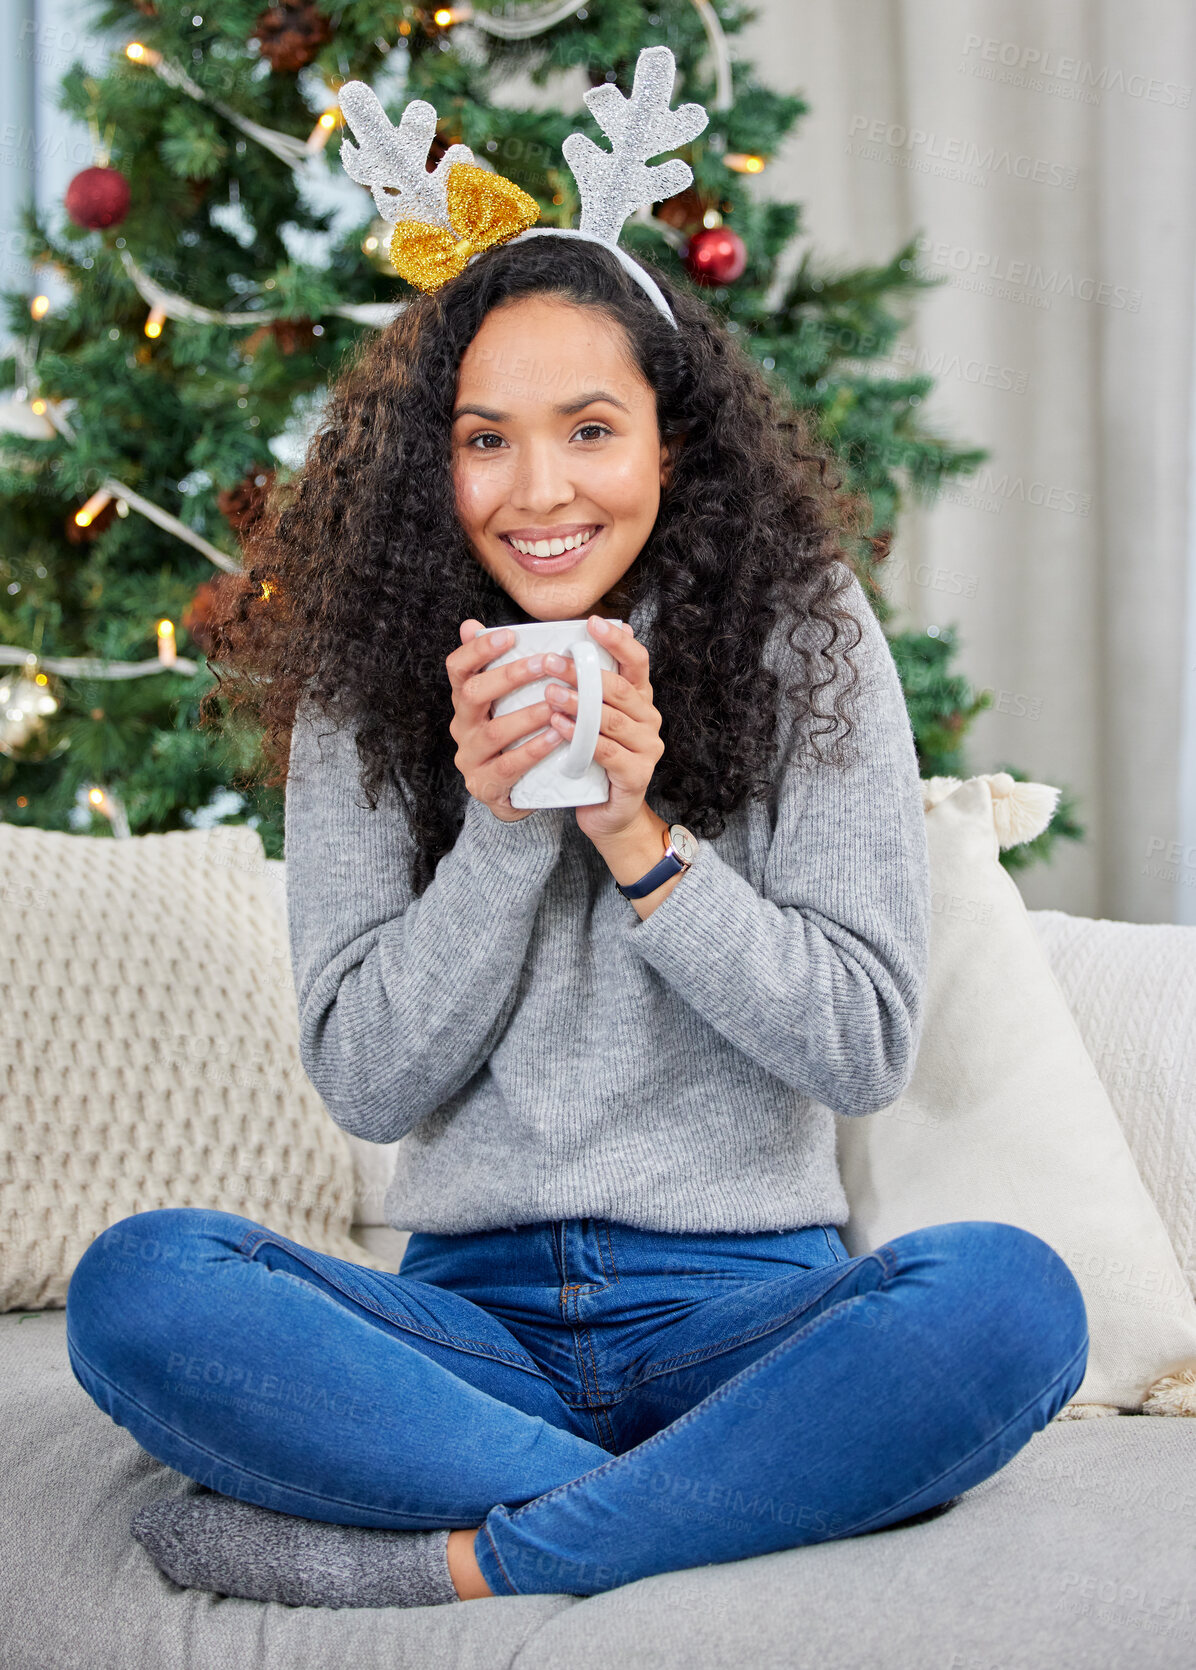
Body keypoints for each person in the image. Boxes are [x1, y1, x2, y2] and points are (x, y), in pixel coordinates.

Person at [64, 226, 1088, 1611]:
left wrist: (633, 830)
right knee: (141, 1284)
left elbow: (863, 1047)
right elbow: (366, 1080)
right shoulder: (367, 671)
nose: (538, 489)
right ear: (439, 460)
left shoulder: (805, 635)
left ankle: (471, 1553)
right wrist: (502, 830)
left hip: (748, 1316)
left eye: (591, 429)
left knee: (1014, 1301)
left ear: (671, 440)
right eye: (487, 440)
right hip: (465, 1326)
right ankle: (720, 1489)